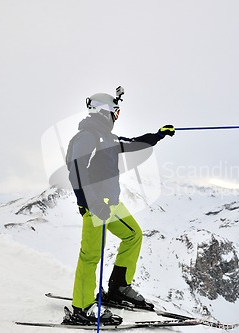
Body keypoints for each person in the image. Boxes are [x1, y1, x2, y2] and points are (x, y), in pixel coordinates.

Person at [63, 87, 175, 326]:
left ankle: (118, 288)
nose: (117, 116)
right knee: (90, 256)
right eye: (116, 111)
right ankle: (82, 308)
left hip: (110, 204)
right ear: (105, 111)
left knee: (133, 235)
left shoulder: (108, 138)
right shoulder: (87, 137)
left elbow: (133, 144)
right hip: (95, 206)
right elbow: (77, 173)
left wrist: (158, 135)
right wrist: (92, 204)